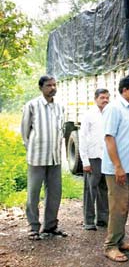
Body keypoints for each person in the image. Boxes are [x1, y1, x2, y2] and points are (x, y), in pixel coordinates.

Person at [102, 75, 129, 262]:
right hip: (118, 169)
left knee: (125, 206)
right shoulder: (114, 108)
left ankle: (119, 240)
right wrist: (118, 166)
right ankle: (110, 246)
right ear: (124, 90)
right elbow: (109, 138)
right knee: (118, 207)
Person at [21, 76, 67, 241]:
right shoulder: (32, 105)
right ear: (41, 87)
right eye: (48, 85)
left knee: (55, 192)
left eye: (54, 85)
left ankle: (50, 226)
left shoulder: (60, 106)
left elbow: (61, 130)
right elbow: (25, 132)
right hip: (37, 157)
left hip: (55, 157)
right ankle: (33, 227)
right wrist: (31, 149)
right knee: (34, 193)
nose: (52, 88)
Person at [79, 88, 110, 231]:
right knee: (90, 189)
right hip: (93, 157)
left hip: (107, 157)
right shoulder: (89, 115)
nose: (105, 100)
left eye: (107, 97)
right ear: (95, 98)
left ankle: (103, 219)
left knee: (104, 188)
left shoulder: (110, 113)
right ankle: (89, 220)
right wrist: (85, 161)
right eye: (102, 97)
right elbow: (83, 137)